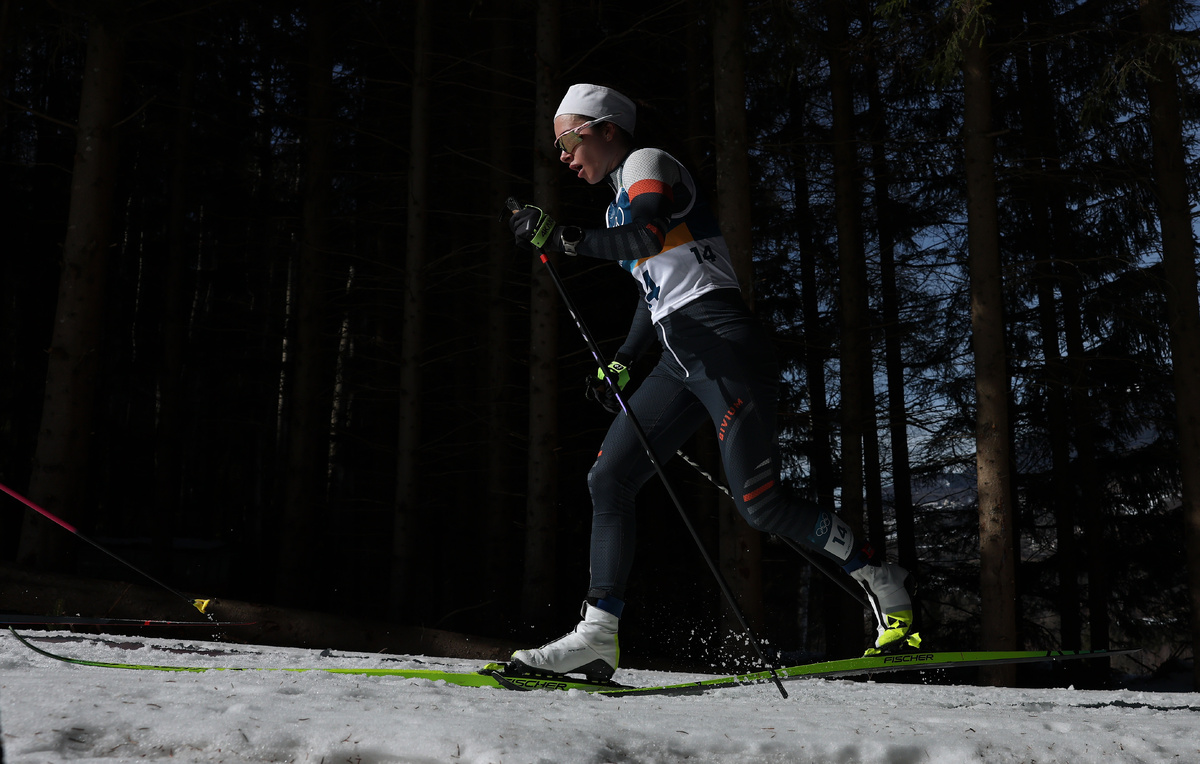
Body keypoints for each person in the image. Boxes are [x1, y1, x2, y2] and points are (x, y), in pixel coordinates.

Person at [507, 83, 917, 682]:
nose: (564, 156)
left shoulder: (647, 165)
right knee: (609, 476)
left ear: (607, 129)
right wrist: (623, 358)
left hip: (724, 345)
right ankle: (598, 636)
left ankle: (880, 575)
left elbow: (647, 238)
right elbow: (654, 288)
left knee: (760, 505)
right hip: (680, 355)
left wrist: (563, 239)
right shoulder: (614, 202)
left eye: (569, 139)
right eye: (558, 147)